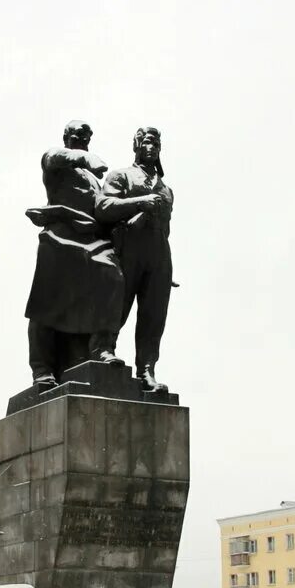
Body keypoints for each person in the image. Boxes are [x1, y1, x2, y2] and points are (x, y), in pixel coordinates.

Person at [24, 120, 126, 388]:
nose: (82, 140)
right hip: (60, 236)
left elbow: (104, 210)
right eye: (78, 135)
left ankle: (100, 349)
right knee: (47, 304)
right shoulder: (55, 159)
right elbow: (59, 157)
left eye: (87, 138)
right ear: (67, 137)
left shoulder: (94, 179)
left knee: (113, 276)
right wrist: (85, 157)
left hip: (93, 240)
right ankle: (42, 368)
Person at [95, 127, 174, 392]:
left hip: (159, 254)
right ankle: (104, 350)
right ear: (137, 145)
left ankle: (147, 370)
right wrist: (141, 202)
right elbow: (104, 207)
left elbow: (167, 227)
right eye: (148, 142)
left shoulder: (167, 189)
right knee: (118, 303)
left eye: (157, 143)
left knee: (154, 316)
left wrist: (166, 267)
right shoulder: (121, 176)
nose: (153, 147)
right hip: (128, 248)